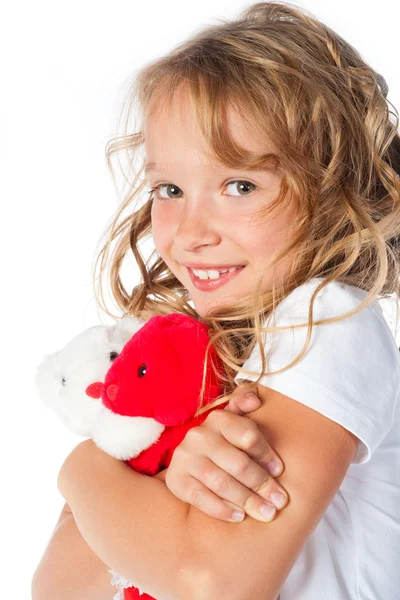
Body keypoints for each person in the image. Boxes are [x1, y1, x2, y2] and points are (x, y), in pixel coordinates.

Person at [31, 2, 400, 599]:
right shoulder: (206, 359)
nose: (189, 231)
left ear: (335, 189)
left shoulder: (326, 319)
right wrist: (162, 489)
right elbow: (57, 587)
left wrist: (83, 471)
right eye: (170, 188)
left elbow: (212, 582)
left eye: (239, 185)